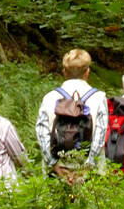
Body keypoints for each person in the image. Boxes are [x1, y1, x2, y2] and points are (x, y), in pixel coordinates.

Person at [35, 48, 109, 182]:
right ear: (87, 72)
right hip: (90, 173)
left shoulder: (49, 98)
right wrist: (89, 164)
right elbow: (100, 134)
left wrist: (54, 164)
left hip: (58, 170)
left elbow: (42, 132)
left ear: (64, 72)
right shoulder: (99, 97)